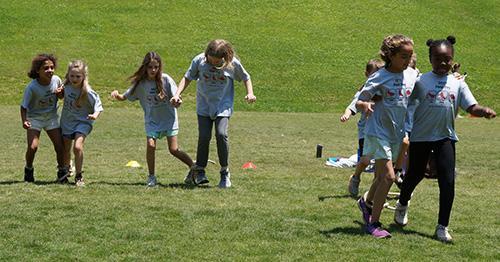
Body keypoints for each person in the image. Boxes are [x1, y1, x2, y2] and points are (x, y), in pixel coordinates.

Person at [394, 36, 496, 243]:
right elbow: (403, 97)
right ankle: (402, 203)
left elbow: (470, 106)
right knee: (414, 175)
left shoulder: (457, 82)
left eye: (447, 59)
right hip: (421, 137)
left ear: (452, 59)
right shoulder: (421, 81)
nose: (443, 63)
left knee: (448, 182)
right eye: (438, 59)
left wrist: (482, 110)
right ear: (430, 58)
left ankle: (442, 227)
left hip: (445, 138)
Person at [355, 34, 419, 238]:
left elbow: (423, 88)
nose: (407, 60)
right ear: (390, 55)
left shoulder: (412, 74)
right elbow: (359, 100)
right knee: (389, 177)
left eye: (410, 56)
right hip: (377, 131)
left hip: (395, 134)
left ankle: (366, 204)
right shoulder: (379, 76)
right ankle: (373, 224)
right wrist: (365, 105)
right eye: (403, 56)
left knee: (382, 178)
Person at [170, 39, 256, 188]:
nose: (213, 64)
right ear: (207, 54)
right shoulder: (200, 61)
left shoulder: (232, 64)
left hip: (223, 105)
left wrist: (250, 93)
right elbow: (187, 77)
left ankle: (224, 172)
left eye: (217, 62)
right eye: (211, 61)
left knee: (221, 134)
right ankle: (200, 171)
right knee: (204, 136)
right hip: (204, 105)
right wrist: (177, 94)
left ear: (225, 57)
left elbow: (245, 77)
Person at [111, 51, 195, 187]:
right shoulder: (140, 84)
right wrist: (117, 95)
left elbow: (176, 96)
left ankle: (193, 167)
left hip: (168, 119)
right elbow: (126, 96)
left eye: (156, 67)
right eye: (150, 67)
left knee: (173, 150)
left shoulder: (166, 79)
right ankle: (151, 177)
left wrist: (176, 101)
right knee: (151, 145)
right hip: (152, 121)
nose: (153, 70)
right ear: (145, 67)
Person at [20, 53, 68, 183]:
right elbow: (23, 106)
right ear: (37, 70)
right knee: (33, 147)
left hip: (51, 117)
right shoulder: (32, 87)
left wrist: (61, 94)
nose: (50, 71)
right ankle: (28, 169)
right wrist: (24, 120)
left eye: (52, 67)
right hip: (34, 118)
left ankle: (62, 172)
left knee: (60, 146)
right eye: (46, 68)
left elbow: (60, 97)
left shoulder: (57, 80)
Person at [340, 59, 384, 197]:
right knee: (365, 160)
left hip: (381, 131)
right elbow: (354, 105)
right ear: (367, 74)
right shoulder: (365, 90)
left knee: (379, 162)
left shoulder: (384, 89)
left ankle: (374, 191)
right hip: (365, 132)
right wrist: (347, 114)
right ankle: (356, 177)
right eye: (374, 75)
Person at [60, 60, 103, 186]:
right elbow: (59, 95)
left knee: (77, 147)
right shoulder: (65, 86)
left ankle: (79, 176)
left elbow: (98, 105)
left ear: (83, 76)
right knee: (66, 149)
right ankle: (66, 171)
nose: (74, 79)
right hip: (67, 122)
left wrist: (95, 115)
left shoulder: (87, 91)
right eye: (72, 75)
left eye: (78, 76)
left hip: (83, 122)